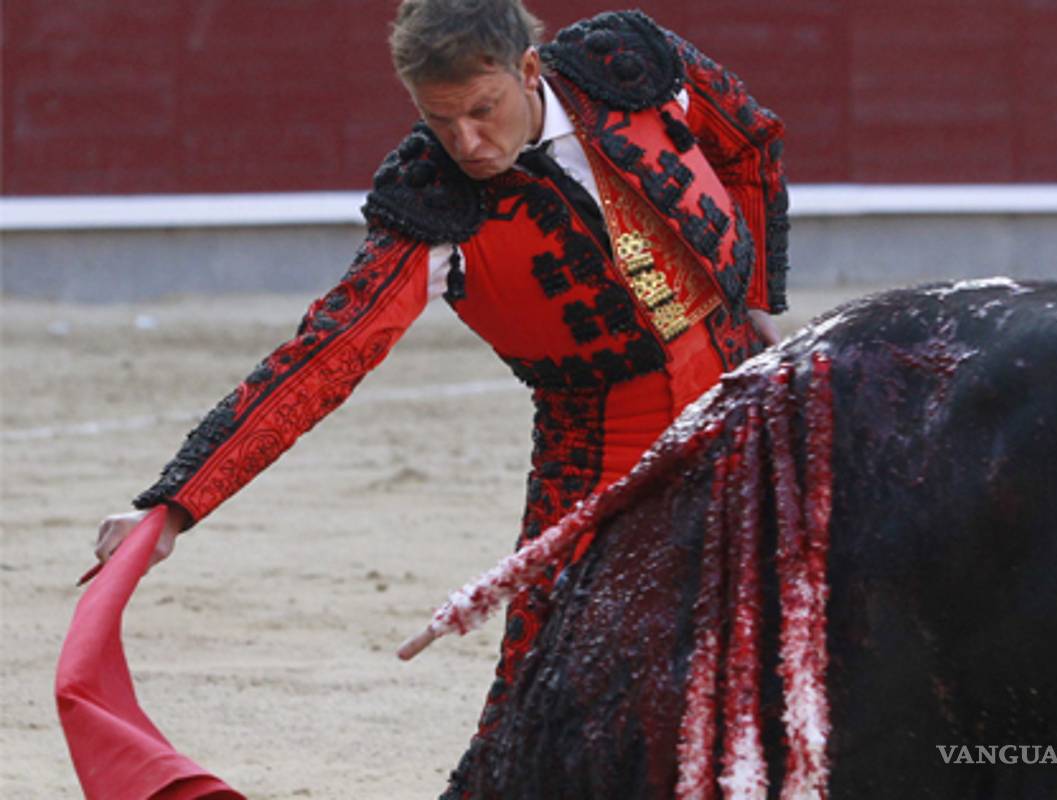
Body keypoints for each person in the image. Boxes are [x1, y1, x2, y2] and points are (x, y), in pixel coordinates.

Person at [93, 1, 788, 795]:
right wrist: (177, 501)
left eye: (482, 111)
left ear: (530, 71)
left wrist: (753, 297)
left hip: (746, 394)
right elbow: (327, 353)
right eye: (440, 119)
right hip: (597, 452)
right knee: (543, 699)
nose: (466, 143)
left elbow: (749, 142)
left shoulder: (629, 64)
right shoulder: (434, 202)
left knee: (799, 631)